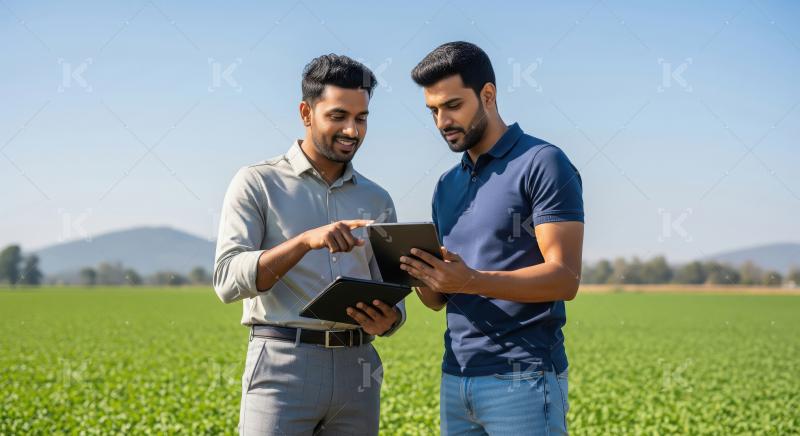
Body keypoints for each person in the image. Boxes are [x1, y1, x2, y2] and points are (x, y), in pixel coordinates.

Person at [213, 53, 405, 435]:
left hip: (358, 370)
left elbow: (393, 296)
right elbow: (226, 280)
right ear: (306, 112)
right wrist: (303, 242)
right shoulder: (257, 183)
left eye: (361, 118)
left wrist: (391, 319)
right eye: (338, 116)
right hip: (282, 365)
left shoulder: (378, 199)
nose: (352, 130)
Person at [402, 41, 584, 435]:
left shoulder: (542, 163)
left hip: (524, 378)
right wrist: (418, 272)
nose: (441, 121)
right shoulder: (445, 185)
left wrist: (471, 280)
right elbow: (438, 301)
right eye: (433, 111)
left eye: (452, 106)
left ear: (488, 95)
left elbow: (565, 277)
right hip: (456, 377)